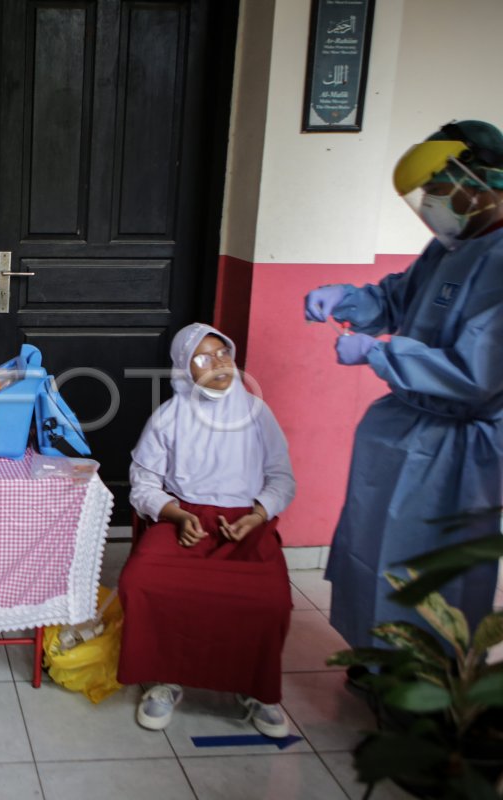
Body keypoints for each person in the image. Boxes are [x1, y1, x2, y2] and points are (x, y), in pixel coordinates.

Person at [305, 120, 503, 649]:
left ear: (481, 181)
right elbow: (397, 300)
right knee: (374, 551)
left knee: (433, 573)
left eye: (438, 192)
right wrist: (347, 299)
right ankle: (375, 664)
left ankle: (428, 690)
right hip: (406, 429)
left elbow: (479, 375)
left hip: (461, 448)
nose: (432, 207)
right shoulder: (451, 247)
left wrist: (381, 352)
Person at [118, 323, 296, 737]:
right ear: (184, 369)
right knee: (142, 582)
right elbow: (143, 482)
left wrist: (259, 512)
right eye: (203, 358)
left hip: (244, 521)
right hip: (185, 517)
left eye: (223, 355)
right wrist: (176, 515)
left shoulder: (257, 413)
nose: (218, 364)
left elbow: (282, 478)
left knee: (270, 601)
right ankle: (165, 679)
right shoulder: (168, 418)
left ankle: (257, 689)